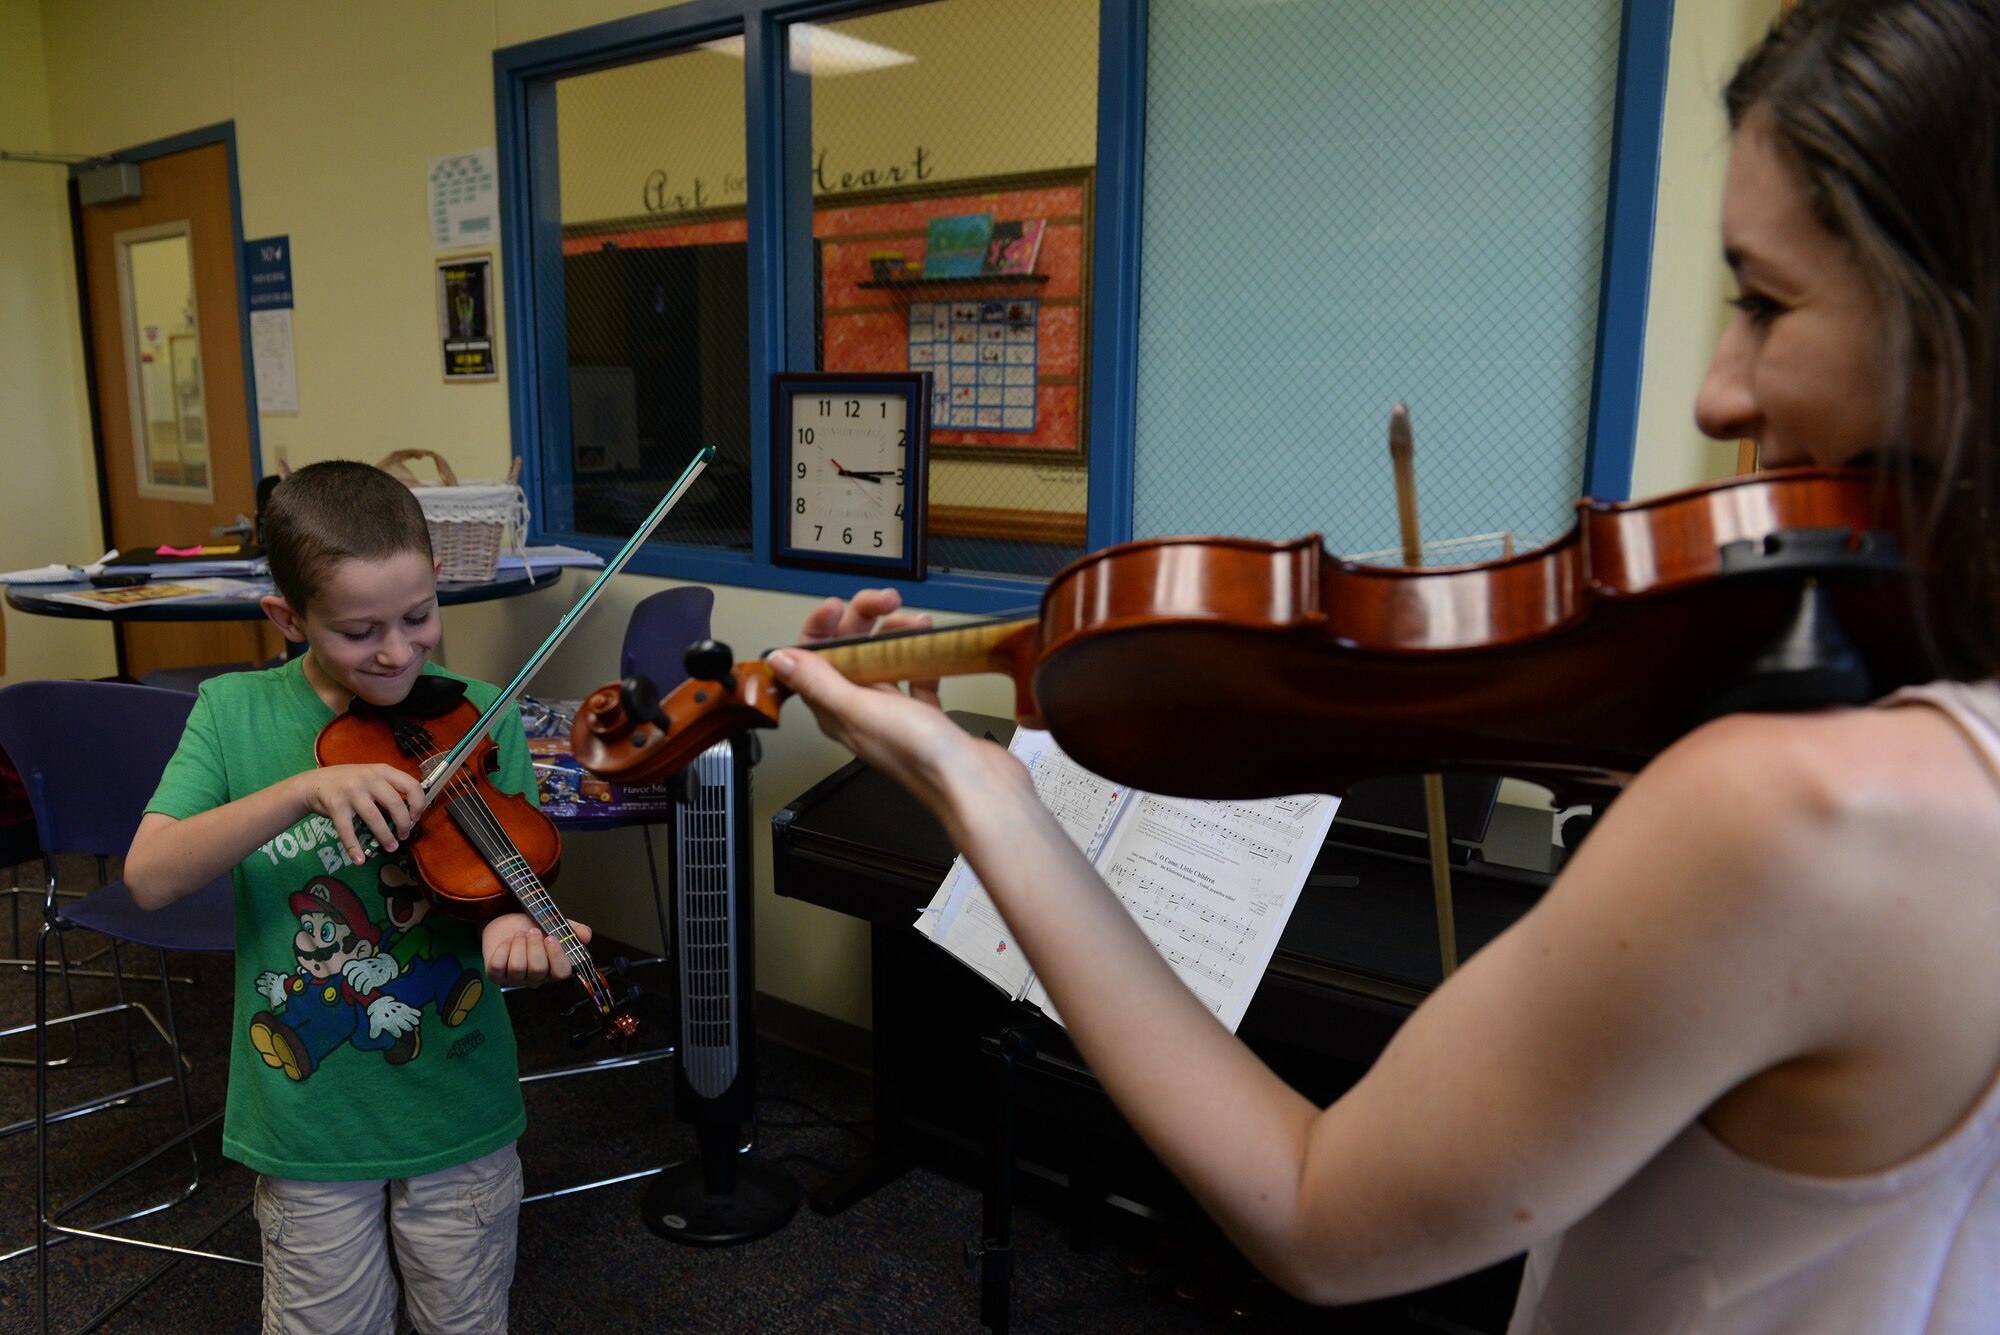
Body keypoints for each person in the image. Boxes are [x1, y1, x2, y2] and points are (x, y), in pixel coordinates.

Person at [766, 2, 2000, 1330]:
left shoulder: (1802, 810)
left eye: (1766, 300)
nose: (1715, 390)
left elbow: (1316, 1211)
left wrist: (981, 788)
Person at [123, 460, 589, 1335]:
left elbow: (501, 906)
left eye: (418, 617)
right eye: (357, 630)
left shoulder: (479, 720)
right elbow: (150, 876)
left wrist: (516, 942)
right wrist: (300, 790)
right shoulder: (232, 714)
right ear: (287, 618)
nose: (398, 651)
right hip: (309, 1126)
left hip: (459, 1109)